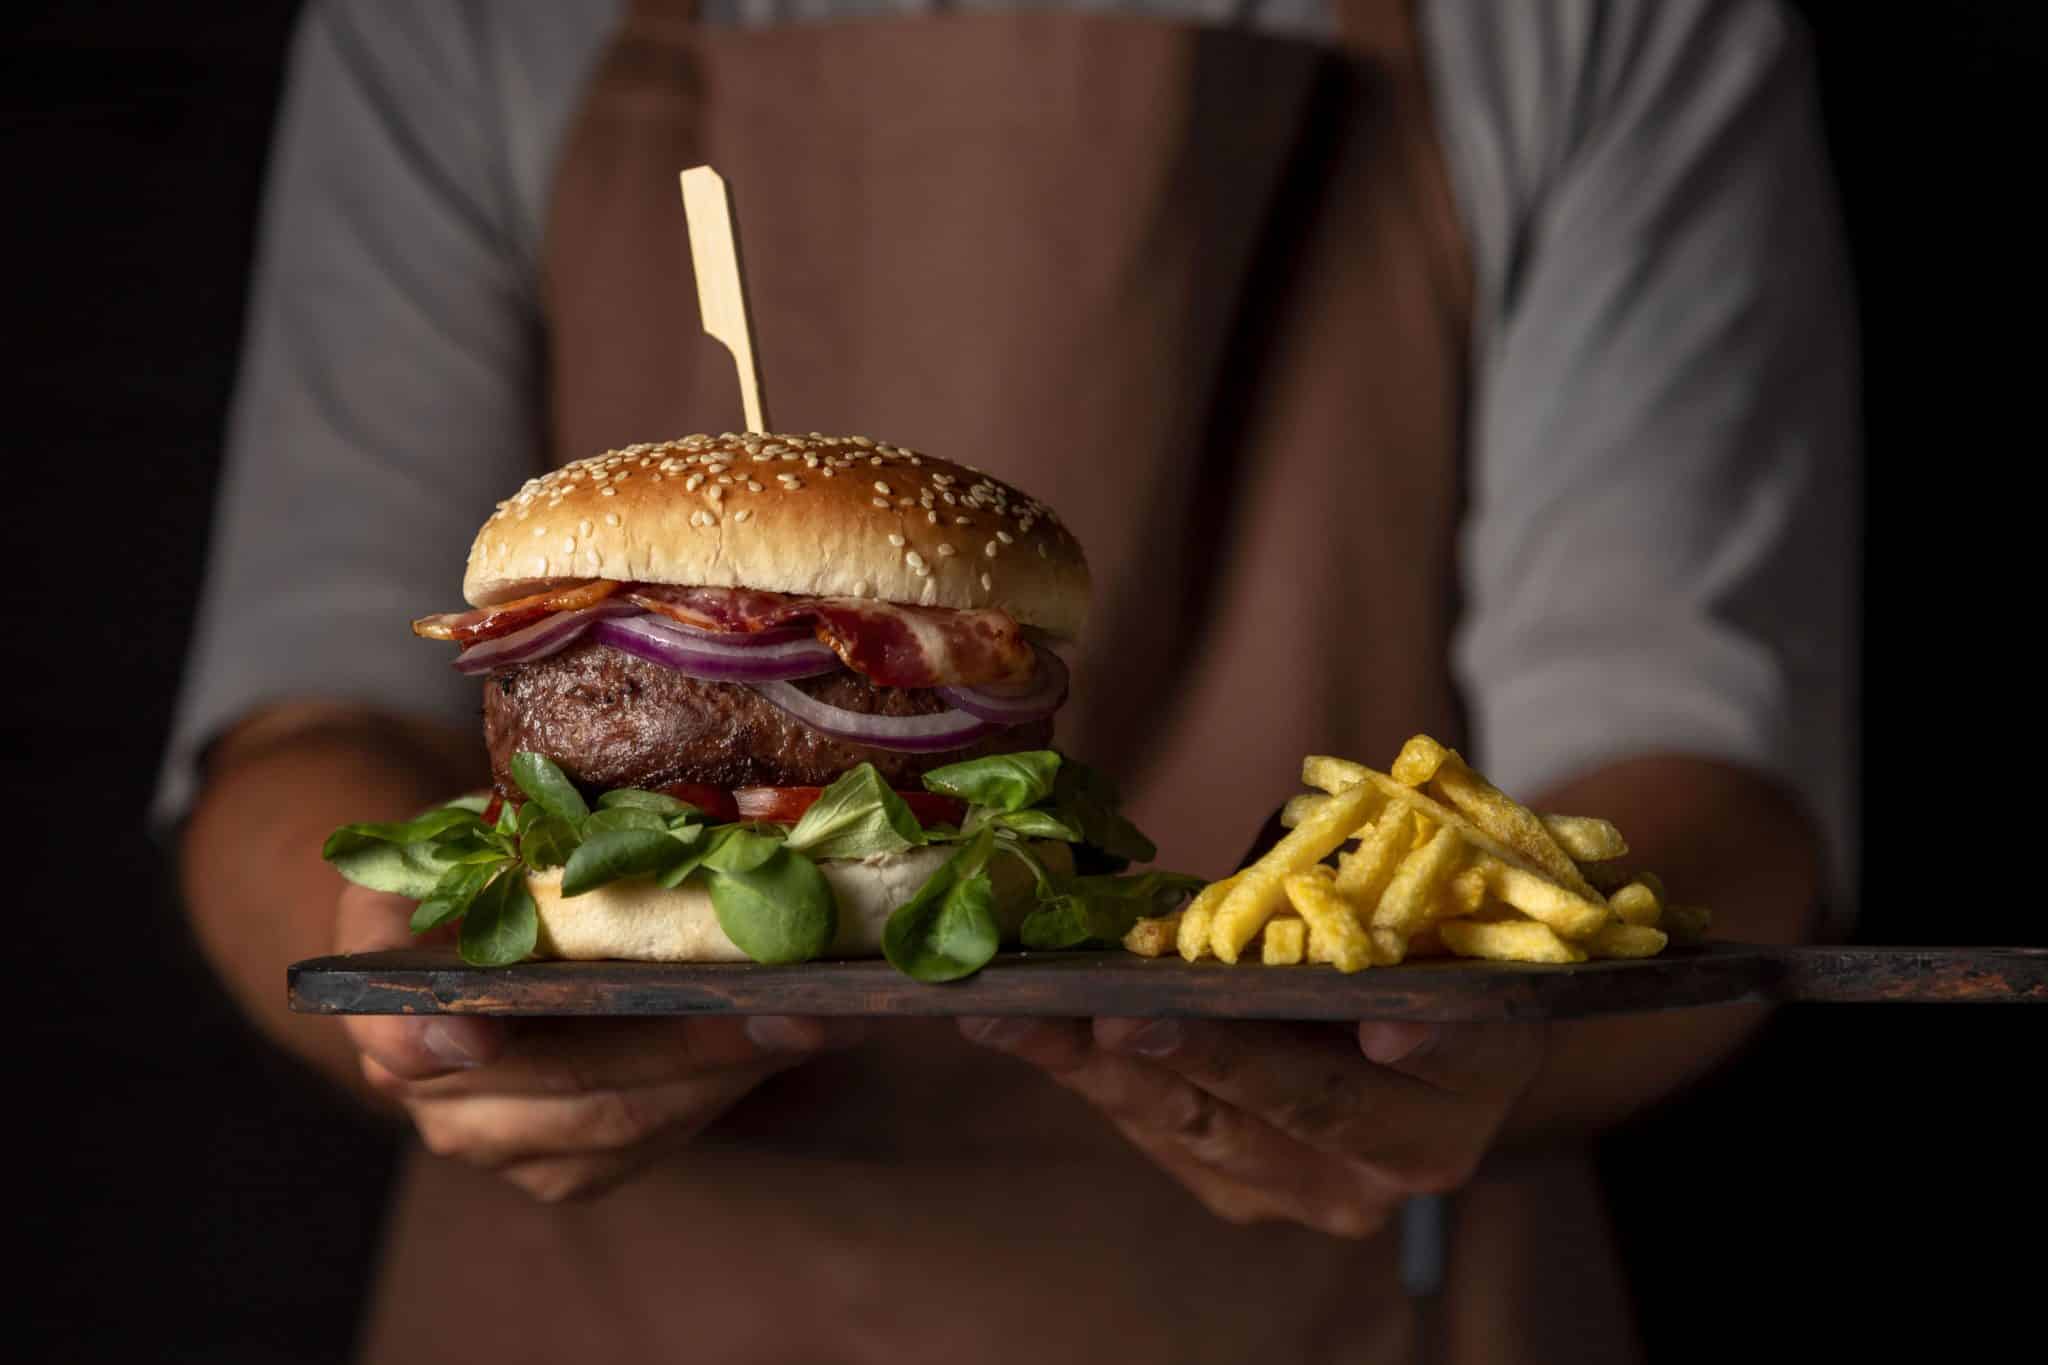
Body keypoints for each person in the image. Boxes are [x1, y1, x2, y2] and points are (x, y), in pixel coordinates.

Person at [160, 0, 1855, 1360]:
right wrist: (408, 982)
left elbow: (1708, 773)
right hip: (589, 1296)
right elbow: (299, 717)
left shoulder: (1604, 21)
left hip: (1348, 1295)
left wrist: (1484, 1037)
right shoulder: (453, 21)